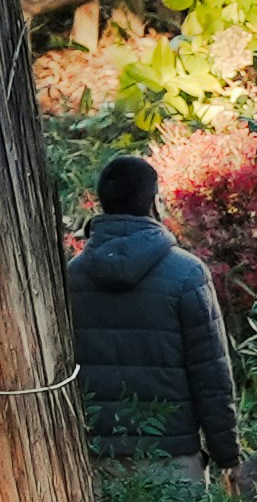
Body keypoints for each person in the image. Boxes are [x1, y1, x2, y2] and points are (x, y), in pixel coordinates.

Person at [66, 149, 239, 478]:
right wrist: (227, 456)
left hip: (97, 460)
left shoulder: (73, 277)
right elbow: (210, 377)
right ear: (154, 202)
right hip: (171, 459)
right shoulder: (187, 274)